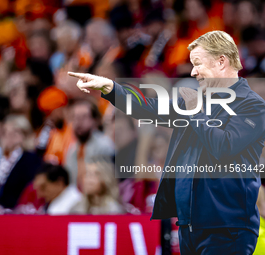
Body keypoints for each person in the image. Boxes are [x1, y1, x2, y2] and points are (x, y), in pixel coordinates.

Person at [68, 30, 265, 254]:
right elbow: (148, 109)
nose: (193, 71)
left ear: (221, 61)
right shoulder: (197, 102)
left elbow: (224, 147)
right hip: (190, 227)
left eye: (198, 63)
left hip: (227, 228)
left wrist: (195, 112)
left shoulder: (252, 106)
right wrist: (111, 89)